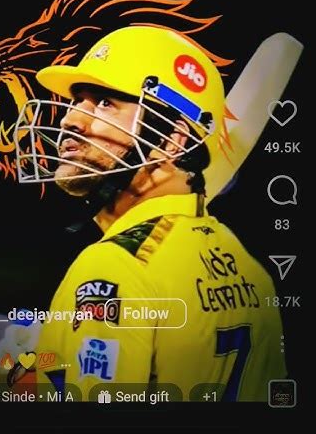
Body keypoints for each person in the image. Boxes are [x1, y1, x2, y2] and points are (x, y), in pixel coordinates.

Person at [15, 26, 286, 401]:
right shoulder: (249, 268)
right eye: (78, 101)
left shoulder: (112, 267)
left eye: (105, 103)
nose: (70, 120)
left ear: (173, 140)